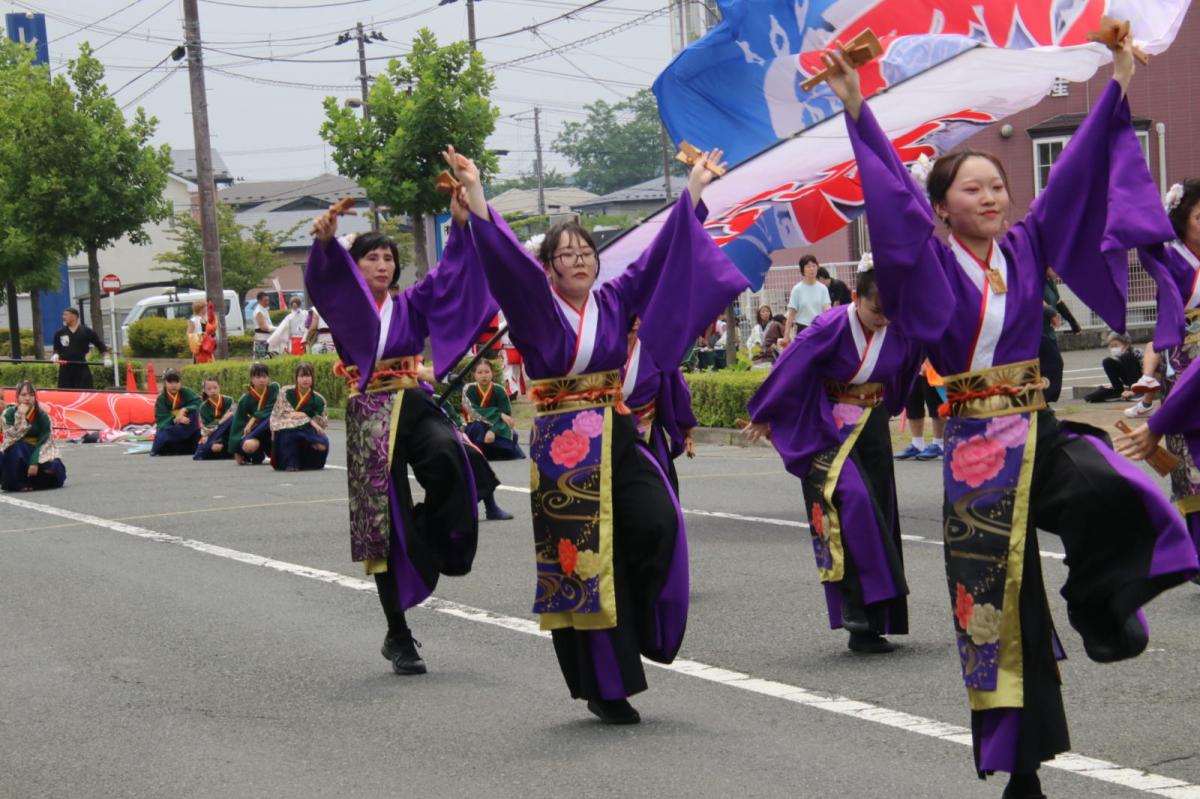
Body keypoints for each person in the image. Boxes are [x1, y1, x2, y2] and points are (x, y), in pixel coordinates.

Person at [828, 39, 1198, 798]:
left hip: (1038, 428)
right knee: (1002, 610)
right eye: (972, 189)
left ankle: (1102, 607)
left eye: (998, 184)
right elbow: (891, 202)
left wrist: (1120, 79)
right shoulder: (924, 265)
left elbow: (1076, 173)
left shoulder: (1027, 246)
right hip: (976, 452)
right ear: (943, 207)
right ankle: (1022, 768)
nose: (991, 196)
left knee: (1109, 487)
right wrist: (857, 105)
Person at [458, 143, 749, 725]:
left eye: (586, 250)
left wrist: (692, 190)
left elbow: (662, 253)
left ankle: (642, 618)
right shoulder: (534, 304)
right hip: (563, 439)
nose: (580, 259)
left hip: (613, 427)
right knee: (582, 564)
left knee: (657, 520)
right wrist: (476, 194)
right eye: (566, 254)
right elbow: (507, 262)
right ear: (549, 268)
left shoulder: (615, 299)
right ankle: (605, 685)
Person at [306, 169, 496, 678]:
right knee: (383, 530)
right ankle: (398, 633)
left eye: (389, 257)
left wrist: (458, 226)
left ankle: (436, 538)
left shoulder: (409, 303)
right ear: (355, 264)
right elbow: (324, 282)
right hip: (370, 411)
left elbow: (452, 276)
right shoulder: (345, 302)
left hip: (412, 400)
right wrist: (325, 245)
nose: (384, 264)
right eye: (372, 256)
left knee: (448, 456)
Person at [745, 266, 920, 654]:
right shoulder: (830, 326)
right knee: (852, 500)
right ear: (856, 300)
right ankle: (852, 605)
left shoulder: (900, 325)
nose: (883, 320)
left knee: (880, 512)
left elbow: (908, 366)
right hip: (832, 426)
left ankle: (872, 625)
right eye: (876, 311)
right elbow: (792, 366)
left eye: (889, 313)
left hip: (873, 424)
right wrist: (766, 412)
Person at [1129, 178, 1200, 547]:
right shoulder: (1171, 257)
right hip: (1189, 367)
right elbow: (1144, 241)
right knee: (1191, 460)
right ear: (1183, 222)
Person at [1, 381, 66, 492]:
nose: (27, 398)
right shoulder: (9, 413)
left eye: (31, 395)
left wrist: (34, 462)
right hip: (16, 450)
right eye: (24, 395)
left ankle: (31, 482)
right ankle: (17, 483)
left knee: (54, 468)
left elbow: (45, 441)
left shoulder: (42, 416)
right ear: (17, 396)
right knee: (17, 448)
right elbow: (12, 438)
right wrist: (21, 416)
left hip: (37, 450)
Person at [270, 362, 330, 472]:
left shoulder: (318, 399)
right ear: (296, 378)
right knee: (289, 431)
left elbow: (322, 422)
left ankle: (311, 462)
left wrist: (305, 415)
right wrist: (308, 419)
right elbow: (285, 416)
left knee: (322, 444)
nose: (305, 379)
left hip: (307, 431)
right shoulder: (285, 392)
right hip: (288, 429)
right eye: (302, 376)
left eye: (308, 376)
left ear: (312, 377)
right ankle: (290, 462)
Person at [462, 360, 524, 460]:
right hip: (476, 424)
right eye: (480, 372)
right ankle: (479, 453)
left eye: (487, 372)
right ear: (474, 375)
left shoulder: (499, 390)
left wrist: (493, 431)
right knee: (478, 427)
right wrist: (498, 414)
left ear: (493, 373)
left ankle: (493, 452)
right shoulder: (468, 389)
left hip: (497, 426)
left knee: (509, 433)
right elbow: (472, 410)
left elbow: (506, 416)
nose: (484, 375)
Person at [894, 359, 946, 460]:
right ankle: (917, 444)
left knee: (934, 402)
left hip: (932, 357)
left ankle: (938, 444)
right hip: (913, 357)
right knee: (912, 401)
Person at [229, 363, 279, 465]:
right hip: (254, 434)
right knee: (249, 446)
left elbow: (273, 408)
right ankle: (256, 456)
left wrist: (254, 418)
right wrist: (236, 451)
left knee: (272, 417)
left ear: (269, 378)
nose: (262, 380)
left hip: (271, 433)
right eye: (258, 377)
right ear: (251, 379)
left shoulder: (274, 389)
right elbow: (237, 424)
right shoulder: (245, 399)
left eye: (264, 376)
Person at [51, 307, 110, 389]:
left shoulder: (86, 331)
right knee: (66, 391)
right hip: (65, 366)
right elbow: (56, 348)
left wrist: (106, 357)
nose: (63, 317)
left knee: (85, 389)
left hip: (81, 365)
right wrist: (55, 355)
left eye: (66, 315)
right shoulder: (60, 332)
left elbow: (99, 344)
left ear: (74, 316)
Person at [150, 369, 202, 456]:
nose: (173, 385)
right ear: (165, 383)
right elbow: (161, 417)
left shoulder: (186, 392)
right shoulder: (162, 398)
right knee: (164, 431)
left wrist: (184, 409)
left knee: (194, 414)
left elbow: (198, 403)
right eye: (170, 382)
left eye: (176, 382)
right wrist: (176, 419)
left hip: (186, 424)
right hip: (172, 425)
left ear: (181, 383)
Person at [783, 255, 831, 344]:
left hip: (819, 328)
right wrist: (786, 335)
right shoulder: (797, 289)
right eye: (808, 266)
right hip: (802, 330)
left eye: (814, 266)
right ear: (802, 270)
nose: (811, 269)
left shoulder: (823, 288)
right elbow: (791, 315)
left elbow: (827, 310)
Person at [1084, 333, 1143, 403]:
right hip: (1127, 379)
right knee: (1107, 361)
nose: (1113, 348)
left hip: (1140, 379)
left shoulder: (1137, 352)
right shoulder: (1118, 356)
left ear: (1126, 345)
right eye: (1111, 346)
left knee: (1126, 357)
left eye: (1115, 345)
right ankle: (1117, 390)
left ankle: (1136, 391)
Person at [193, 375, 235, 460]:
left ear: (219, 387)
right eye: (209, 389)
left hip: (227, 435)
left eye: (215, 388)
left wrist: (222, 422)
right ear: (205, 390)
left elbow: (232, 419)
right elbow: (206, 429)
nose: (212, 390)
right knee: (208, 450)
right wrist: (222, 420)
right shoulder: (203, 407)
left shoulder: (229, 400)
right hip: (212, 435)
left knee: (231, 420)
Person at [187, 300, 217, 365]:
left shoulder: (205, 319)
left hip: (208, 346)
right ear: (201, 308)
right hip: (200, 348)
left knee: (210, 363)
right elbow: (189, 334)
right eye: (205, 307)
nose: (206, 309)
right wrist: (201, 337)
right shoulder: (193, 320)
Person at [251, 292, 274, 360]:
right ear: (259, 301)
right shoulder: (259, 311)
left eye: (268, 300)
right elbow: (263, 327)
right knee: (261, 361)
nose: (267, 302)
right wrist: (278, 328)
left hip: (267, 339)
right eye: (265, 300)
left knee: (268, 360)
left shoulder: (264, 310)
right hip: (261, 340)